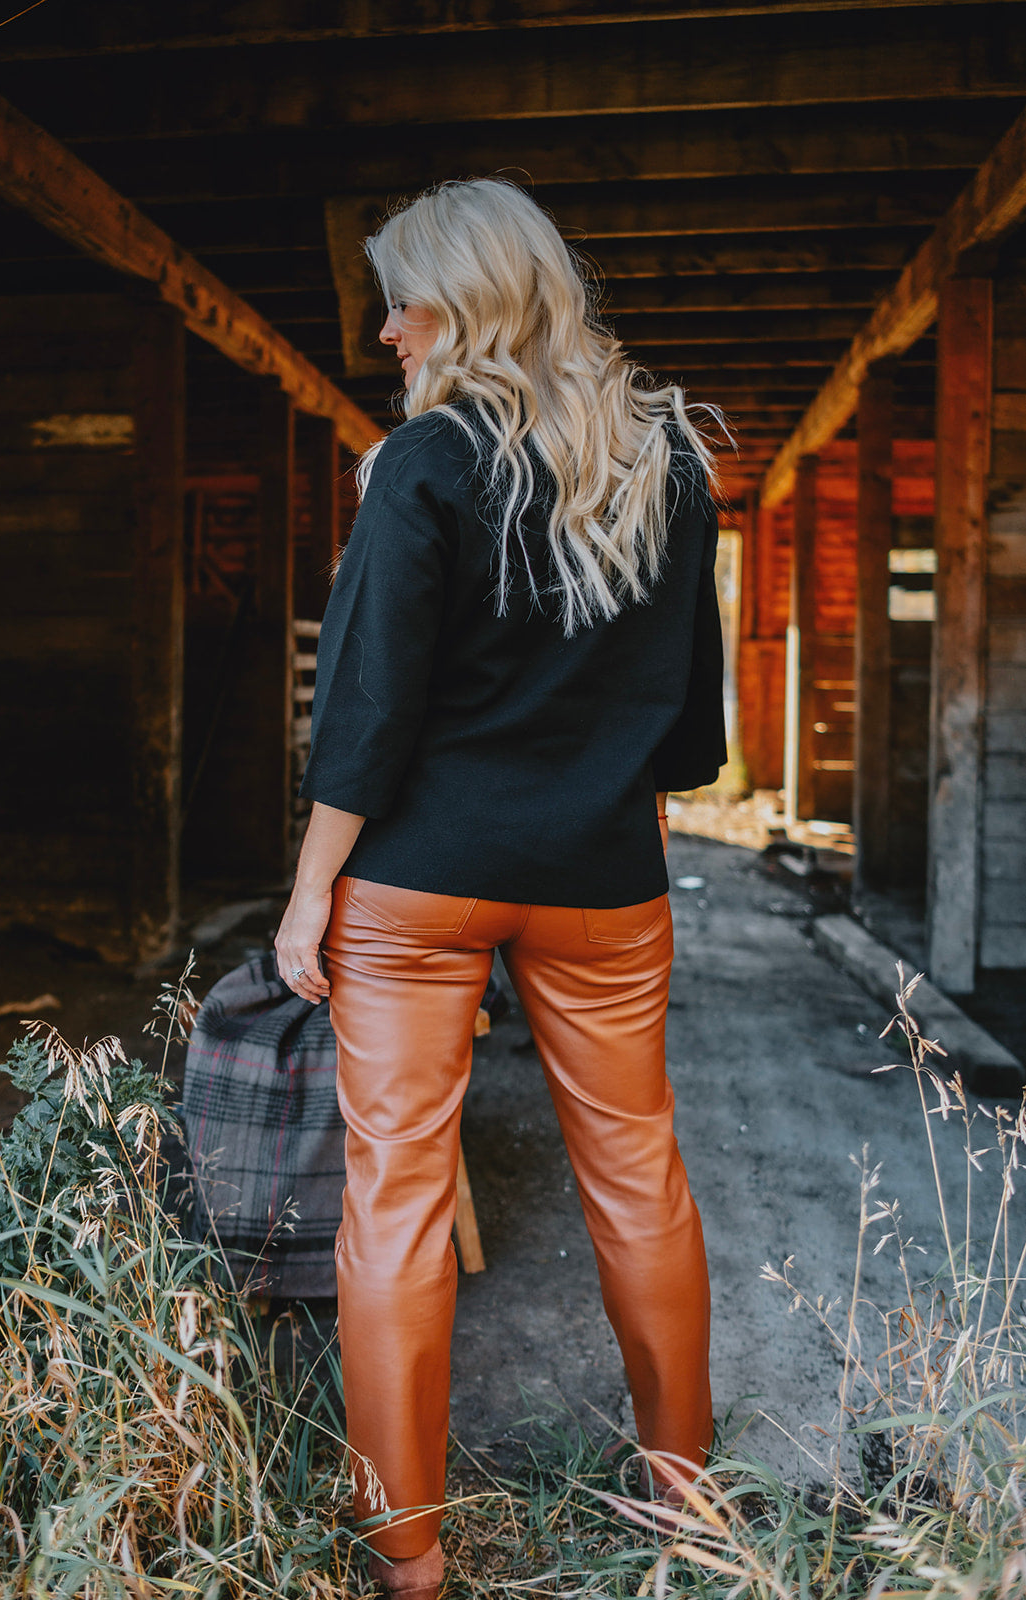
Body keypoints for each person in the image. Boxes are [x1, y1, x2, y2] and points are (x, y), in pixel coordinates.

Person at [275, 177, 726, 1599]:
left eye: (400, 303)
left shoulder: (424, 462)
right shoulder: (668, 461)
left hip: (419, 884)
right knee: (639, 1173)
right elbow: (689, 735)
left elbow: (366, 714)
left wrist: (307, 896)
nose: (386, 334)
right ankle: (687, 1501)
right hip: (604, 880)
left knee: (396, 1199)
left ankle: (407, 1558)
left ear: (464, 303)